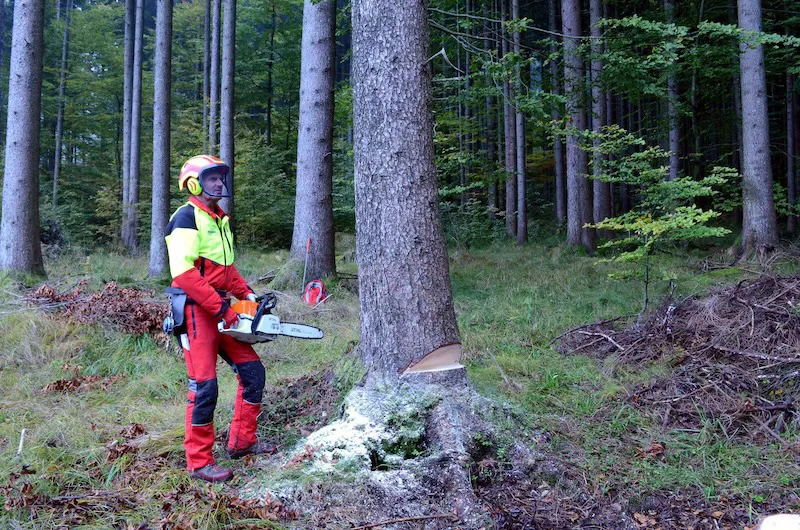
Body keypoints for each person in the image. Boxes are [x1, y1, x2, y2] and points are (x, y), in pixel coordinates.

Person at [164, 154, 276, 483]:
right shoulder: (186, 217)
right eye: (212, 177)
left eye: (220, 177)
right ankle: (199, 462)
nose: (219, 182)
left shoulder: (218, 218)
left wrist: (248, 295)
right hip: (197, 310)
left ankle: (242, 442)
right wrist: (222, 308)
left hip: (220, 307)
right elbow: (184, 274)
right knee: (204, 386)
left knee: (253, 373)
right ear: (193, 182)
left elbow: (225, 270)